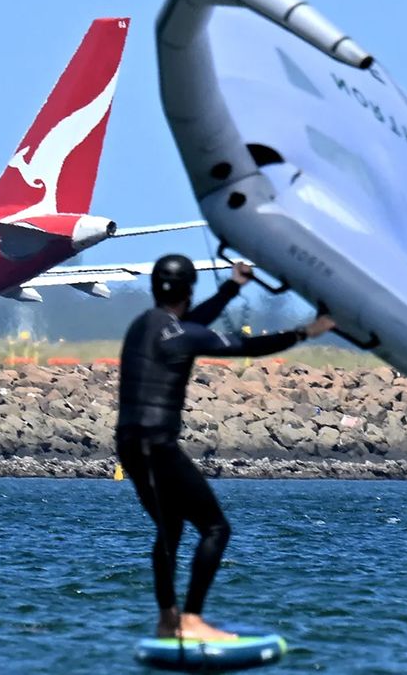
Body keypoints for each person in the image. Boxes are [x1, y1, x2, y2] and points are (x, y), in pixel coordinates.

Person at [117, 255, 335, 641]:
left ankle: (168, 620)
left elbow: (189, 325)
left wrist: (233, 287)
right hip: (159, 444)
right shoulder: (182, 332)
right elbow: (247, 346)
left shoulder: (141, 326)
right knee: (215, 528)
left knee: (169, 529)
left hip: (130, 444)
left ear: (154, 287)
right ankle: (193, 619)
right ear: (188, 289)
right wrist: (306, 333)